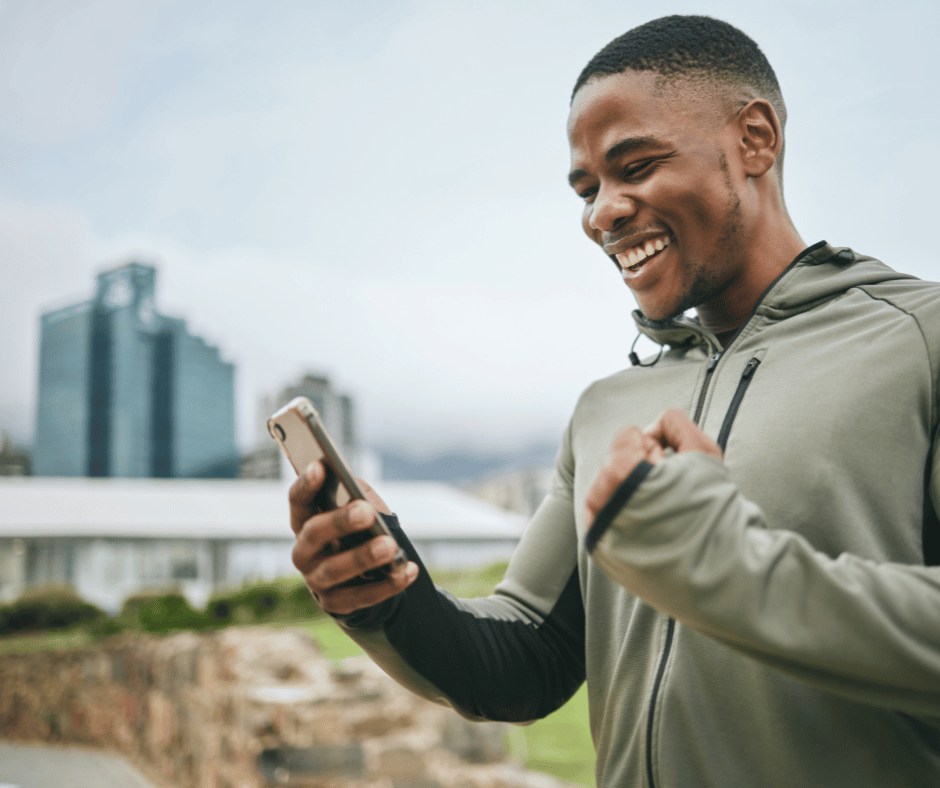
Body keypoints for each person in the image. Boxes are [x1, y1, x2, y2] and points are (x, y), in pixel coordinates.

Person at [289, 15, 940, 788]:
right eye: (588, 187)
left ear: (756, 139)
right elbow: (529, 655)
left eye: (636, 166)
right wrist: (389, 599)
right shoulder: (606, 408)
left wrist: (729, 568)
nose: (602, 212)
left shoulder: (919, 342)